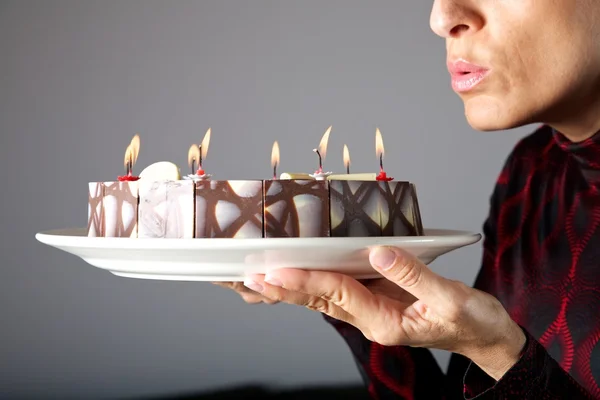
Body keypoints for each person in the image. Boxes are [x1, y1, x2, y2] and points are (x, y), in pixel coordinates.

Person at [215, 0, 600, 398]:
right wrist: (353, 296)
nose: (441, 18)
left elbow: (506, 356)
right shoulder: (533, 170)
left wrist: (499, 353)